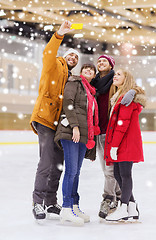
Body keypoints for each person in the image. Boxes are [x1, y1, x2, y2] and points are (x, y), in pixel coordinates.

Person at [30, 20, 80, 220]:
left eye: (76, 57)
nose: (74, 58)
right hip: (44, 118)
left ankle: (51, 202)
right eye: (71, 55)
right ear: (64, 56)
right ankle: (38, 202)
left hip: (60, 124)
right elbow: (48, 53)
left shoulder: (71, 77)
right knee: (46, 161)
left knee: (58, 163)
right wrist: (59, 34)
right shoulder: (54, 65)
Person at [90, 55, 136, 219]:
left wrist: (133, 91)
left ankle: (109, 199)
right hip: (98, 132)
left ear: (111, 65)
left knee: (111, 171)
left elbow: (132, 86)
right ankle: (127, 202)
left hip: (111, 132)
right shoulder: (93, 84)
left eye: (105, 61)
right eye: (99, 61)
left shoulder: (115, 81)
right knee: (108, 171)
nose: (101, 63)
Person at [54, 63, 100, 226]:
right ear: (81, 72)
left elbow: (91, 117)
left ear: (94, 75)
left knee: (77, 172)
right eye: (85, 69)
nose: (88, 71)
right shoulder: (74, 83)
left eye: (91, 70)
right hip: (71, 132)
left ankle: (74, 205)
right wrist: (74, 126)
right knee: (71, 171)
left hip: (83, 135)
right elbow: (68, 103)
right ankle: (66, 208)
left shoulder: (91, 92)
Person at [104, 68, 146, 221]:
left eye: (119, 74)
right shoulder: (119, 97)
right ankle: (132, 207)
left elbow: (122, 124)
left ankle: (123, 207)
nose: (115, 76)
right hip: (123, 142)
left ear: (126, 79)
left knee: (125, 175)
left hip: (125, 142)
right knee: (117, 174)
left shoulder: (126, 99)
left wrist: (114, 146)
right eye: (115, 74)